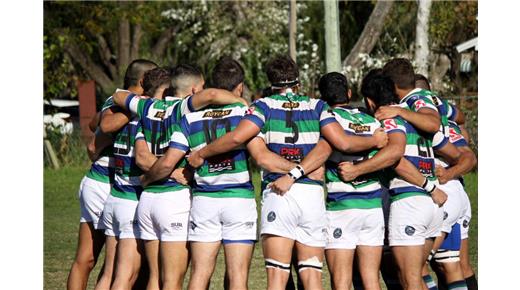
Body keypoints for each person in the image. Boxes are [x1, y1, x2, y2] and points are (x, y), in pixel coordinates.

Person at [186, 55, 387, 290]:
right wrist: (302, 170)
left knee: (277, 280)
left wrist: (202, 154)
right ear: (298, 83)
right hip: (311, 197)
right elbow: (340, 143)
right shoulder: (317, 106)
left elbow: (252, 150)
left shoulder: (262, 107)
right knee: (312, 278)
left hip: (279, 193)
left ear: (271, 82)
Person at [342, 71, 446, 290]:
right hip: (430, 205)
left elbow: (395, 155)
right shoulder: (414, 115)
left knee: (409, 282)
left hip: (410, 202)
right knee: (416, 278)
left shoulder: (389, 119)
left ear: (370, 101)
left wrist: (357, 170)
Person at [67, 59, 157, 290]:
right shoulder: (127, 101)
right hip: (104, 184)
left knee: (116, 265)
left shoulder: (125, 101)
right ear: (142, 81)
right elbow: (105, 127)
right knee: (91, 259)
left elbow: (94, 125)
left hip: (113, 185)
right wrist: (137, 108)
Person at [317, 72, 388, 290]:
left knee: (341, 282)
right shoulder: (371, 119)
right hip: (373, 207)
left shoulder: (328, 118)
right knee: (371, 281)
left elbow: (340, 145)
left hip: (343, 206)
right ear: (349, 93)